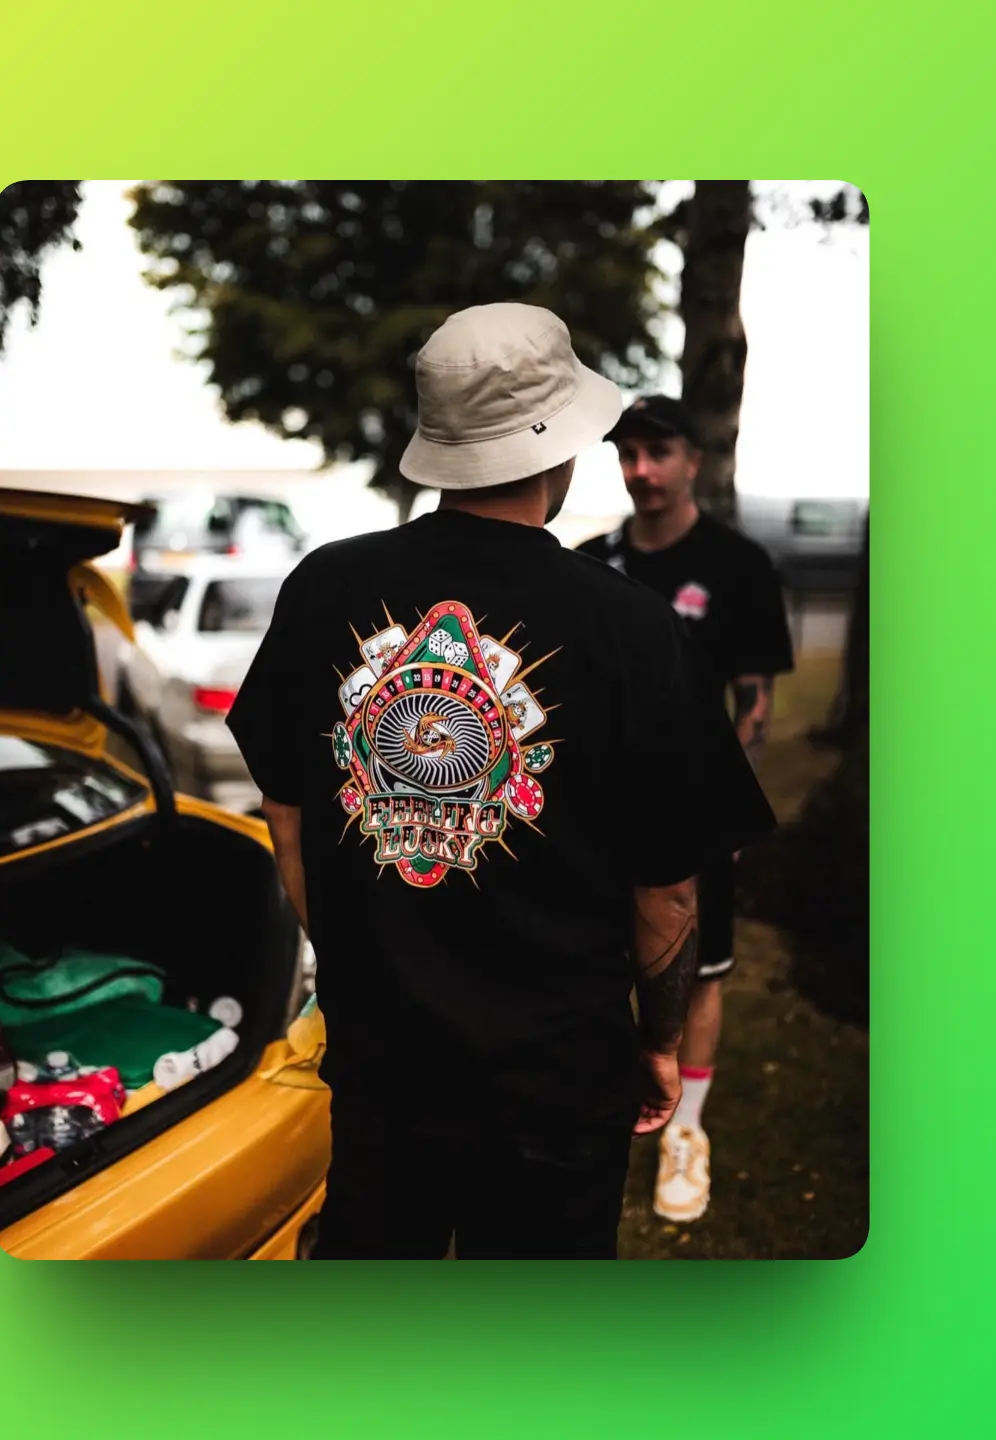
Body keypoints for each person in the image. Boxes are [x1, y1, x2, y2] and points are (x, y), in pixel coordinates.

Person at [226, 305, 772, 1259]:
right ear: (561, 446)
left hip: (381, 1072)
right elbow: (671, 892)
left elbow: (287, 812)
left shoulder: (322, 588)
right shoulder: (635, 629)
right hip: (559, 1086)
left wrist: (363, 969)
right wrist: (657, 1041)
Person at [576, 395, 796, 1224]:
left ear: (693, 461)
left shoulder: (738, 566)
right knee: (600, 961)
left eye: (658, 452)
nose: (641, 470)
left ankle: (686, 1130)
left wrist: (722, 814)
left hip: (693, 817)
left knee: (698, 972)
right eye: (627, 454)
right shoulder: (592, 565)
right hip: (598, 821)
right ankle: (598, 1107)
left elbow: (754, 700)